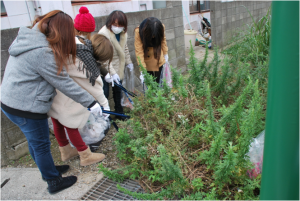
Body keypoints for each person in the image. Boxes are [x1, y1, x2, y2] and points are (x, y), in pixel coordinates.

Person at [0, 10, 103, 194]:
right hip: (25, 108)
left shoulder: (27, 39)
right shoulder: (41, 52)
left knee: (34, 143)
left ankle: (49, 170)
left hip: (10, 103)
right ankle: (53, 181)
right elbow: (63, 82)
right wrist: (91, 103)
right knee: (41, 145)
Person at [48, 7, 113, 167]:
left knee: (57, 120)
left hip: (54, 90)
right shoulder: (82, 53)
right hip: (68, 95)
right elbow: (94, 83)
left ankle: (65, 151)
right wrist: (105, 105)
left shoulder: (62, 43)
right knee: (72, 124)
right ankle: (84, 155)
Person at [98, 10, 133, 120]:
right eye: (115, 24)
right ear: (110, 23)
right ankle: (104, 116)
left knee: (118, 91)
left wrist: (129, 63)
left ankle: (119, 112)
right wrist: (111, 73)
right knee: (105, 92)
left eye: (120, 25)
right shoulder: (104, 34)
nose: (117, 27)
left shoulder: (123, 34)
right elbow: (103, 57)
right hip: (105, 67)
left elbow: (125, 49)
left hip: (119, 66)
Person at [134, 17, 169, 84]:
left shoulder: (161, 27)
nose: (153, 37)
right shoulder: (139, 31)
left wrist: (165, 53)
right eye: (152, 35)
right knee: (150, 86)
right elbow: (139, 52)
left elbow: (163, 41)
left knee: (161, 84)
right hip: (147, 62)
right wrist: (142, 70)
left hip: (159, 58)